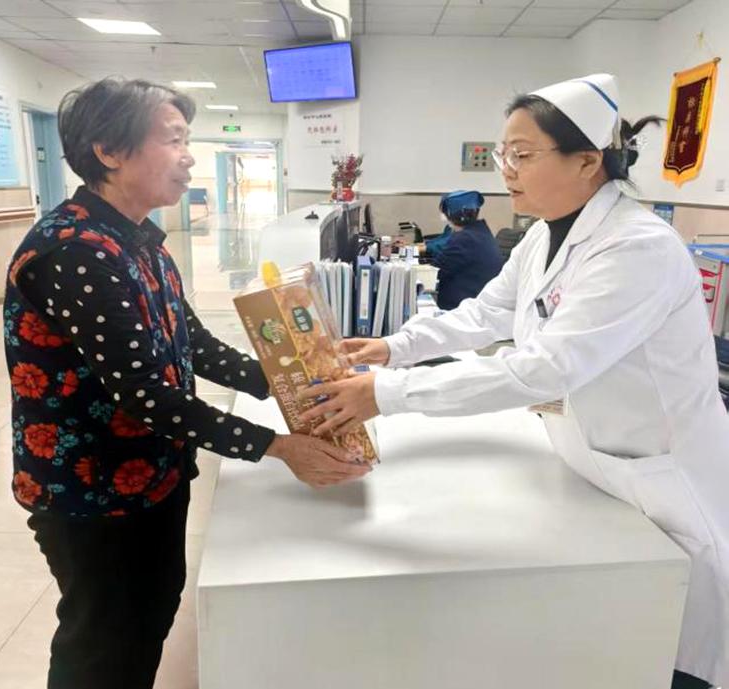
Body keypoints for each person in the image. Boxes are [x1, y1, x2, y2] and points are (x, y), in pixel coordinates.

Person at [297, 74, 729, 689]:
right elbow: (488, 314)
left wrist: (386, 393)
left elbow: (545, 367)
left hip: (664, 479)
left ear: (588, 161)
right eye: (504, 154)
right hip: (597, 467)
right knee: (614, 639)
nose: (506, 170)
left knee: (671, 645)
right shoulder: (543, 234)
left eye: (523, 155)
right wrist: (396, 348)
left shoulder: (638, 249)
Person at [3, 78, 369, 689]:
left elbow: (192, 343)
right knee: (102, 641)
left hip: (151, 473)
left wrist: (293, 385)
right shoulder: (74, 251)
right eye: (172, 140)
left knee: (148, 614)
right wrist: (276, 446)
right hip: (91, 490)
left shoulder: (139, 239)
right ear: (109, 151)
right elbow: (145, 393)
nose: (189, 157)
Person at [427, 190, 503, 310]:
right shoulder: (481, 232)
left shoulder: (464, 239)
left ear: (448, 214)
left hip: (461, 308)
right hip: (477, 303)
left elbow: (434, 273)